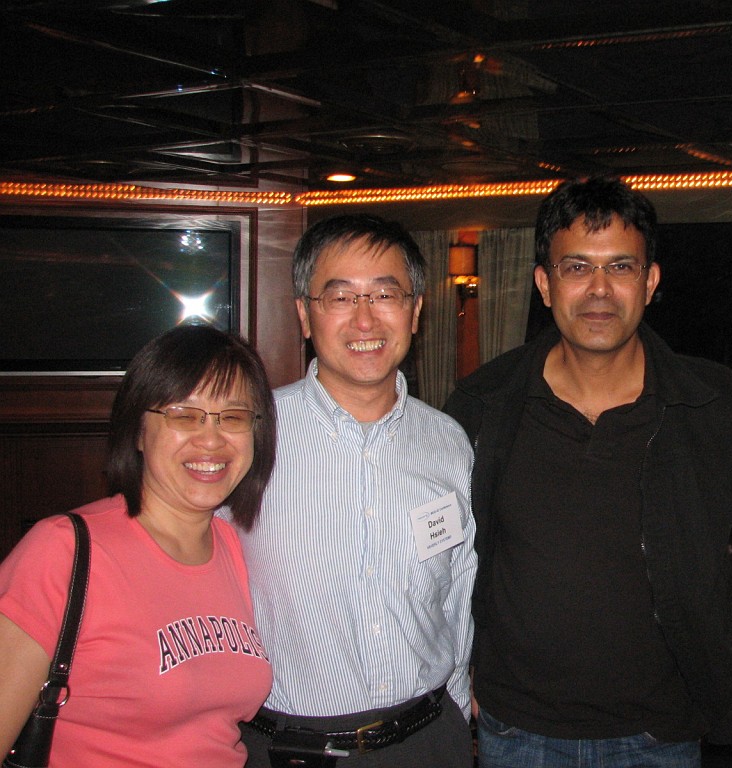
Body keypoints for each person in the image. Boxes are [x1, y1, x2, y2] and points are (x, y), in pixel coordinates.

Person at [443, 176, 732, 767]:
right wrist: (463, 671)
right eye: (576, 268)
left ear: (650, 281)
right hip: (516, 730)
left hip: (662, 734)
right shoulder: (482, 405)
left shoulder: (719, 408)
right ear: (544, 284)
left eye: (620, 267)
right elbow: (455, 562)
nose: (599, 289)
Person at [236, 214, 477, 768]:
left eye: (385, 295)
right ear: (305, 314)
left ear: (415, 311)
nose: (365, 318)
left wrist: (458, 708)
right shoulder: (251, 435)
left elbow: (459, 590)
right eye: (340, 297)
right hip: (289, 748)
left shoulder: (447, 441)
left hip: (428, 741)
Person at [0, 323, 277, 767]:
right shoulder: (63, 551)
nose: (211, 439)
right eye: (184, 415)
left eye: (233, 417)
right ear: (137, 431)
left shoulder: (233, 547)